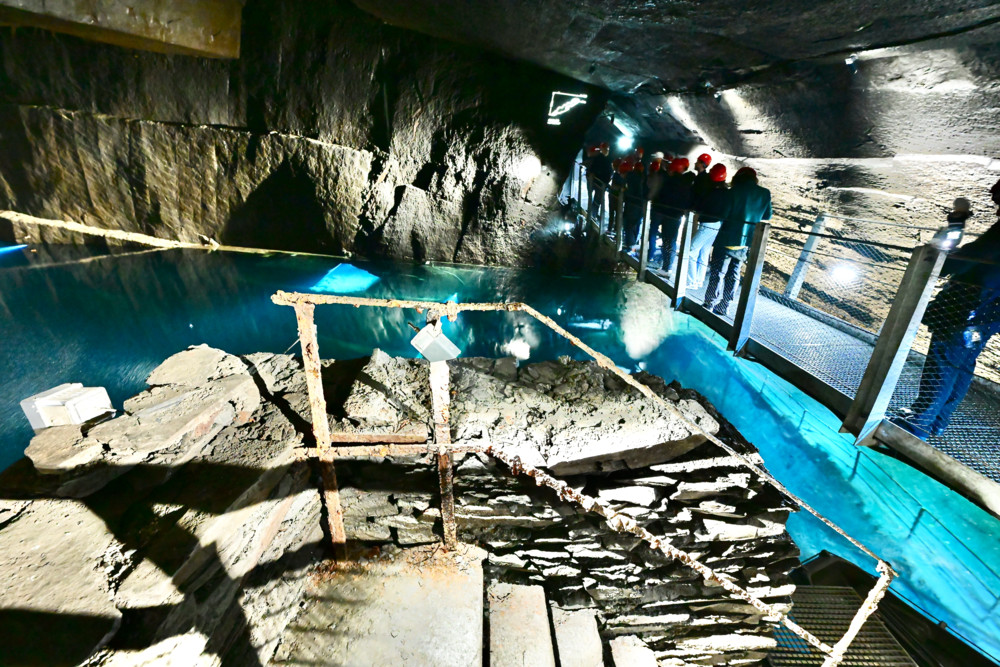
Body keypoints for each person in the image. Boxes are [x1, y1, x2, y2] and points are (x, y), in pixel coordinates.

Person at [902, 183, 1000, 438]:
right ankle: (937, 422)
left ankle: (917, 424)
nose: (992, 193)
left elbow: (968, 258)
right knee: (963, 363)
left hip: (967, 308)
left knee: (943, 361)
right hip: (987, 316)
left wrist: (936, 261)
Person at [704, 167, 772, 315]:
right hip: (746, 242)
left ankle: (709, 303)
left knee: (717, 272)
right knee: (734, 274)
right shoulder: (764, 193)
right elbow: (767, 215)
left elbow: (724, 214)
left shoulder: (732, 192)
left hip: (726, 238)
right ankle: (724, 306)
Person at [687, 163, 731, 289]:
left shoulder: (709, 191)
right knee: (704, 252)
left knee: (691, 251)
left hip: (707, 224)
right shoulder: (726, 193)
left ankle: (691, 281)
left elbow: (699, 206)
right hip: (717, 224)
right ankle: (698, 281)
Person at [651, 157, 693, 270]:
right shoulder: (686, 183)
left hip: (667, 214)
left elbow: (662, 196)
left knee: (667, 240)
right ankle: (667, 266)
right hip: (676, 215)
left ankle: (666, 266)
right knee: (671, 240)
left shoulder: (669, 181)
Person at [585, 142, 613, 224]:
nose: (607, 151)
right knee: (596, 199)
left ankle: (592, 214)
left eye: (607, 149)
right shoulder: (602, 159)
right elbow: (604, 171)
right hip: (599, 182)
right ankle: (592, 214)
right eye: (606, 149)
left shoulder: (601, 158)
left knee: (596, 199)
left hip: (599, 182)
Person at [622, 159, 646, 249]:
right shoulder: (644, 177)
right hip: (641, 203)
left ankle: (629, 243)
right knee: (637, 223)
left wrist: (625, 194)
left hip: (631, 202)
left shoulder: (630, 176)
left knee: (629, 224)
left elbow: (628, 189)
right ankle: (633, 242)